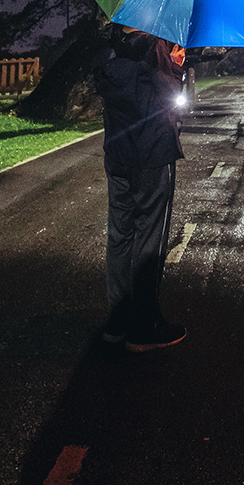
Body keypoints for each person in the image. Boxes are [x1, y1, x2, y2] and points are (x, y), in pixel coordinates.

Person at [90, 24, 187, 352]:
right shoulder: (153, 47)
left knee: (120, 236)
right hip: (151, 154)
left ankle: (118, 319)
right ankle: (144, 325)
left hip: (117, 154)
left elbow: (123, 93)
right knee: (150, 236)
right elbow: (165, 96)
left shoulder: (112, 45)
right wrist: (176, 65)